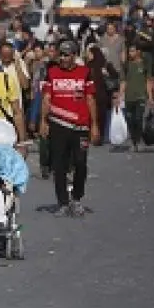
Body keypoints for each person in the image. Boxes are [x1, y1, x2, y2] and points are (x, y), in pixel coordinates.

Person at [39, 40, 100, 218]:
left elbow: (90, 100)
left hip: (80, 126)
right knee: (59, 165)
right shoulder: (51, 73)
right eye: (61, 55)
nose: (64, 58)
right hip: (58, 125)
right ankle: (63, 202)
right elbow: (46, 99)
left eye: (67, 55)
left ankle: (76, 198)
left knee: (80, 163)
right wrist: (43, 121)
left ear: (74, 56)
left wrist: (94, 125)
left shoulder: (85, 73)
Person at [120, 43, 154, 152]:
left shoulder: (144, 64)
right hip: (129, 97)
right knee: (130, 120)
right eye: (129, 51)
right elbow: (123, 81)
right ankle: (133, 140)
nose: (131, 54)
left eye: (133, 51)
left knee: (139, 119)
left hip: (140, 96)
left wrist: (150, 97)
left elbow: (148, 81)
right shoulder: (127, 65)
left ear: (138, 52)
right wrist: (120, 95)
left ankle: (139, 140)